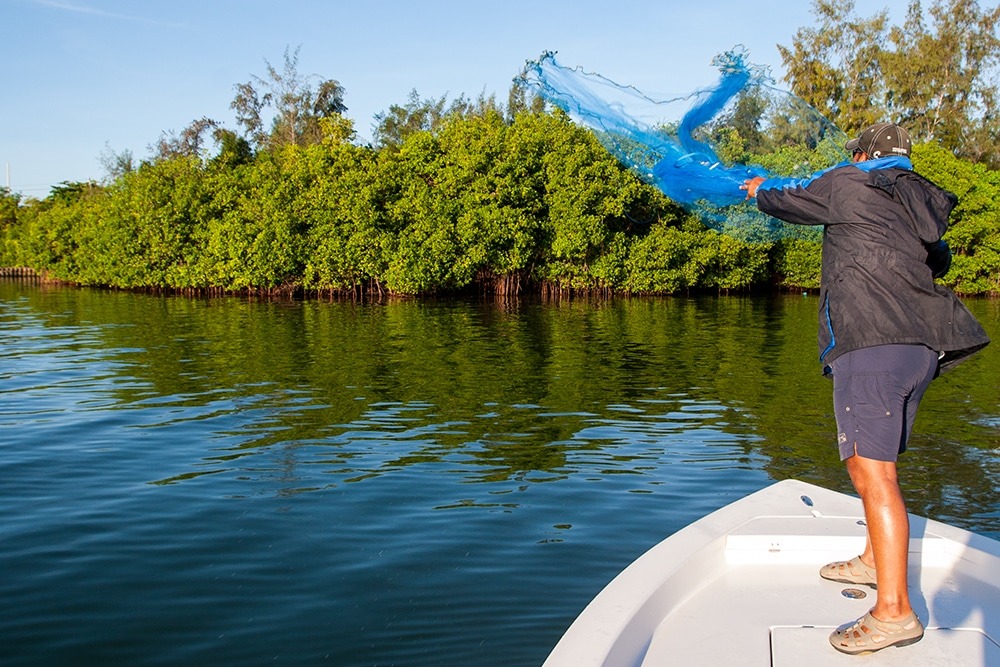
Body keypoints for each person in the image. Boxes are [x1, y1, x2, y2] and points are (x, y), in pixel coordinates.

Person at [742, 122, 990, 655]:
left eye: (853, 155)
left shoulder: (850, 181)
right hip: (919, 349)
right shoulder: (916, 203)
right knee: (868, 463)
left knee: (872, 472)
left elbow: (787, 202)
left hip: (872, 346)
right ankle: (875, 560)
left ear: (863, 155)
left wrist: (761, 188)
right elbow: (939, 261)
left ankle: (895, 613)